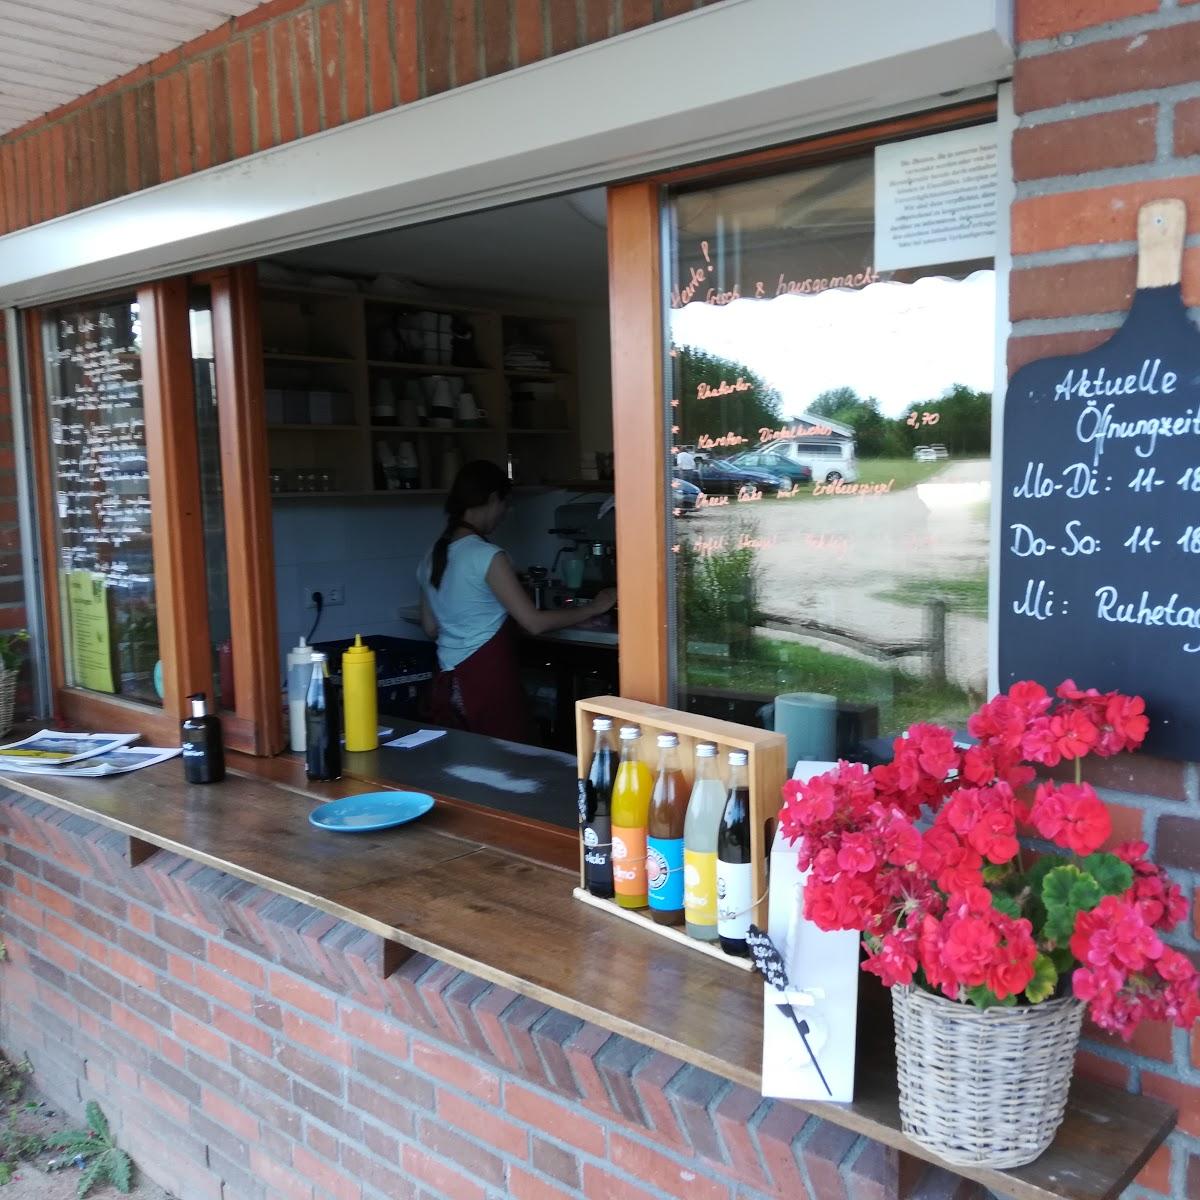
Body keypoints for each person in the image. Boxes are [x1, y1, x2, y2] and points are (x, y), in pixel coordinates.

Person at [418, 460, 617, 742]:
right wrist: (595, 606)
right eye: (504, 504)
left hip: (449, 685)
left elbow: (430, 627)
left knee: (466, 767)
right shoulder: (487, 556)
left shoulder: (433, 555)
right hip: (485, 685)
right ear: (491, 499)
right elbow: (534, 622)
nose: (504, 513)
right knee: (506, 763)